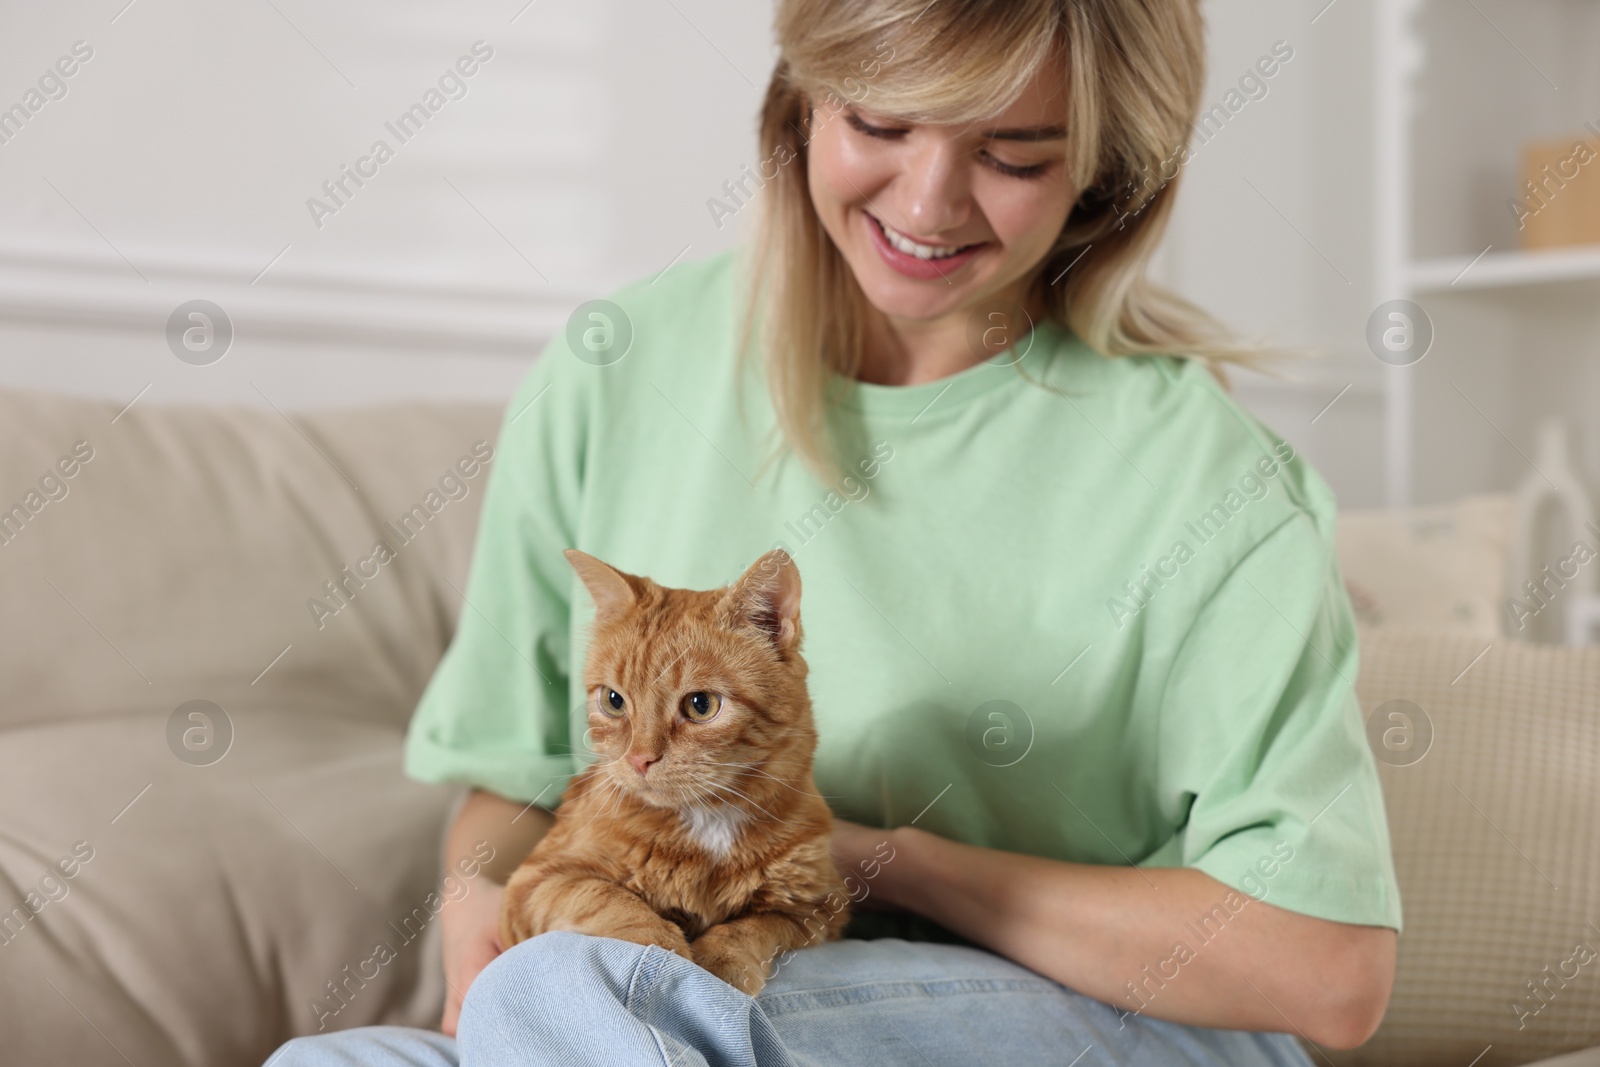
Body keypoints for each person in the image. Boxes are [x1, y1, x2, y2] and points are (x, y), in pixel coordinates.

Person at [268, 0, 1401, 1063]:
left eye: (1013, 154)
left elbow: (1324, 968)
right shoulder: (616, 369)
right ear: (800, 102)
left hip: (1107, 1027)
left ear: (1105, 173)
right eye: (879, 122)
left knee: (600, 996)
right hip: (677, 1003)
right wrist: (484, 926)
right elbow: (509, 780)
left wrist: (870, 857)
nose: (927, 203)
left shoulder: (1213, 481)